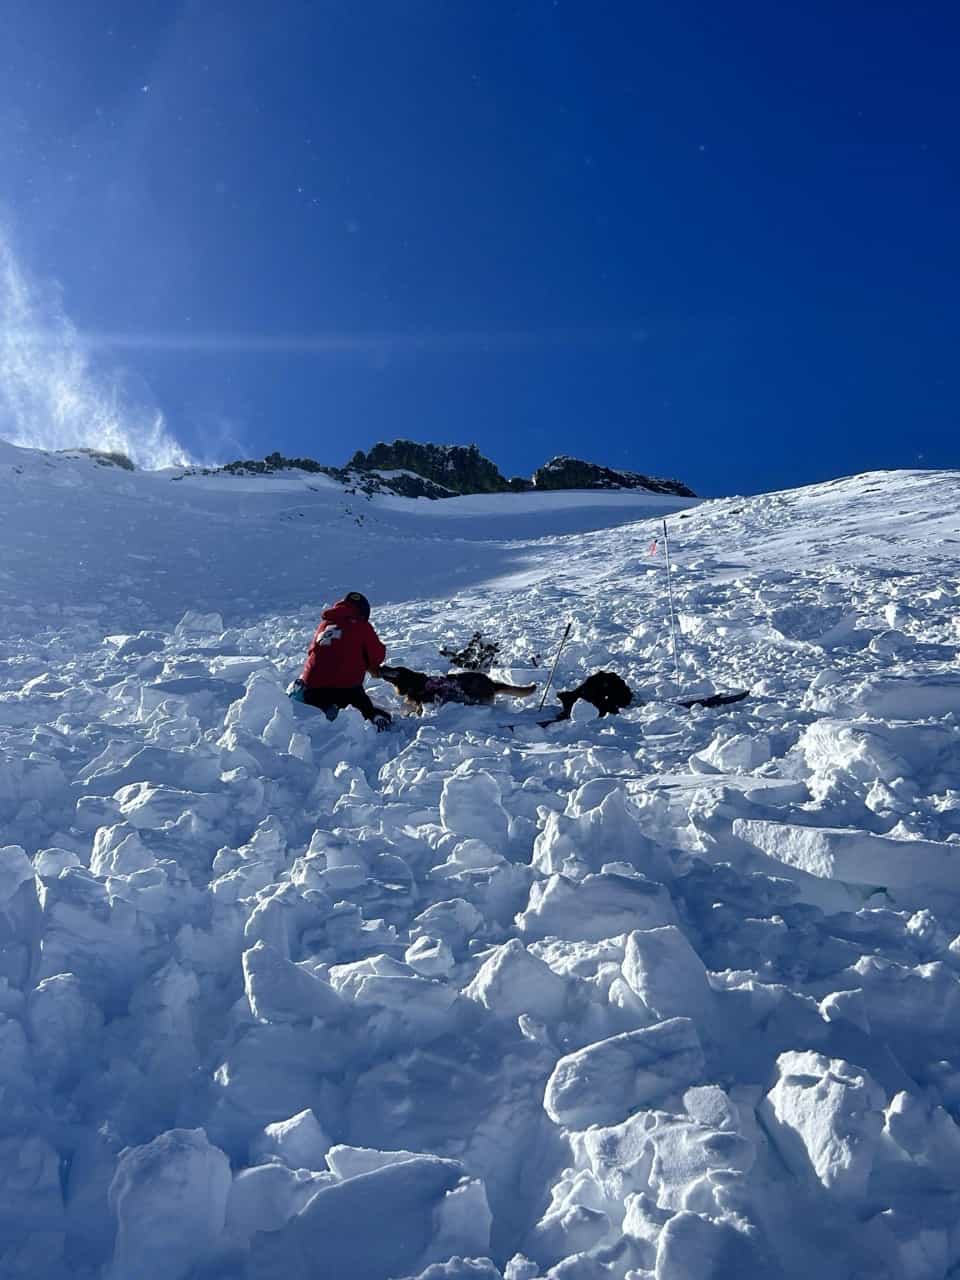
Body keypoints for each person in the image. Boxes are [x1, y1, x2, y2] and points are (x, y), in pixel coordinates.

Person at [293, 591, 392, 730]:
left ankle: (326, 709)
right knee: (365, 708)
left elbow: (313, 652)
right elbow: (376, 655)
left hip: (312, 690)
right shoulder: (361, 625)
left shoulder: (325, 625)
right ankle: (373, 718)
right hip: (346, 690)